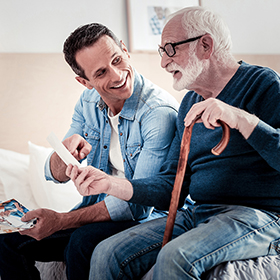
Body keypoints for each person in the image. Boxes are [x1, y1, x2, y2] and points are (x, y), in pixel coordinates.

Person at [66, 6, 280, 280]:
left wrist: (241, 119)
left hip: (258, 215)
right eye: (161, 51)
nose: (163, 62)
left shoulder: (262, 83)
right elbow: (171, 188)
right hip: (199, 212)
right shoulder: (189, 103)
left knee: (175, 257)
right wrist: (109, 184)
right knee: (107, 253)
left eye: (170, 49)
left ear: (205, 45)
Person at [0, 23, 179, 280]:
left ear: (126, 51)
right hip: (99, 211)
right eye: (101, 72)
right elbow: (54, 174)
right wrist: (63, 155)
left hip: (148, 219)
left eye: (117, 60)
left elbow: (140, 207)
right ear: (84, 82)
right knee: (8, 242)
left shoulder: (157, 114)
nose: (117, 75)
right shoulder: (88, 103)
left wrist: (62, 220)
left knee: (82, 243)